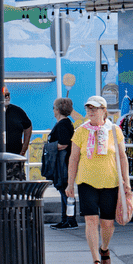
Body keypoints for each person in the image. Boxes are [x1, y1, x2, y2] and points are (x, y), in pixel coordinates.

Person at [67, 95, 132, 264]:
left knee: (107, 223)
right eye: (88, 108)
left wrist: (126, 181)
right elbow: (73, 159)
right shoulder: (80, 131)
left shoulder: (114, 130)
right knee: (91, 220)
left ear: (104, 110)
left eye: (95, 108)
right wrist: (70, 184)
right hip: (86, 181)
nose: (91, 112)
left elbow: (122, 157)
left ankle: (104, 249)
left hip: (110, 181)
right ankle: (95, 259)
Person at [46, 97, 77, 229]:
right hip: (63, 162)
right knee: (63, 190)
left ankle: (70, 219)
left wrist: (48, 146)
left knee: (65, 190)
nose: (53, 110)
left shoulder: (63, 125)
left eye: (53, 107)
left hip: (62, 163)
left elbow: (63, 144)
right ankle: (66, 218)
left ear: (58, 110)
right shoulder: (66, 123)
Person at [3, 88, 33, 180]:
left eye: (8, 94)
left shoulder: (17, 111)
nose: (7, 97)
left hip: (15, 158)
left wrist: (24, 147)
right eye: (5, 95)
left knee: (19, 188)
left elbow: (28, 126)